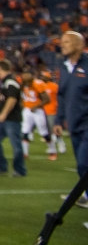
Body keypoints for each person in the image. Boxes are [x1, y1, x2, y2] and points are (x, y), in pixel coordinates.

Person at [54, 30, 88, 212]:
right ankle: (85, 196)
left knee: (84, 164)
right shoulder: (65, 67)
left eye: (67, 41)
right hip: (74, 125)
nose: (62, 44)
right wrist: (58, 120)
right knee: (81, 167)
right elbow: (62, 96)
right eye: (62, 41)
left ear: (79, 45)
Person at [0, 60, 26, 177]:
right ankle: (1, 166)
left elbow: (12, 99)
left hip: (11, 119)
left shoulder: (11, 81)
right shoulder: (5, 81)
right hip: (1, 118)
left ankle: (20, 170)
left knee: (16, 144)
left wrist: (4, 113)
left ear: (0, 68)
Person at [20, 70, 55, 159]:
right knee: (25, 131)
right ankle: (25, 153)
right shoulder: (22, 84)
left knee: (43, 132)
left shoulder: (38, 84)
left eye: (28, 82)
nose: (27, 84)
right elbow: (21, 96)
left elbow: (47, 99)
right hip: (27, 110)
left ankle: (52, 150)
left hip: (37, 111)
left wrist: (36, 106)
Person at [41, 70, 65, 154]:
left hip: (52, 110)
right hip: (43, 111)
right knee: (47, 131)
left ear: (48, 77)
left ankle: (61, 143)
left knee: (54, 129)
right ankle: (52, 147)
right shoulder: (41, 86)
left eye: (44, 76)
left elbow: (60, 96)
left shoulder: (54, 86)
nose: (42, 77)